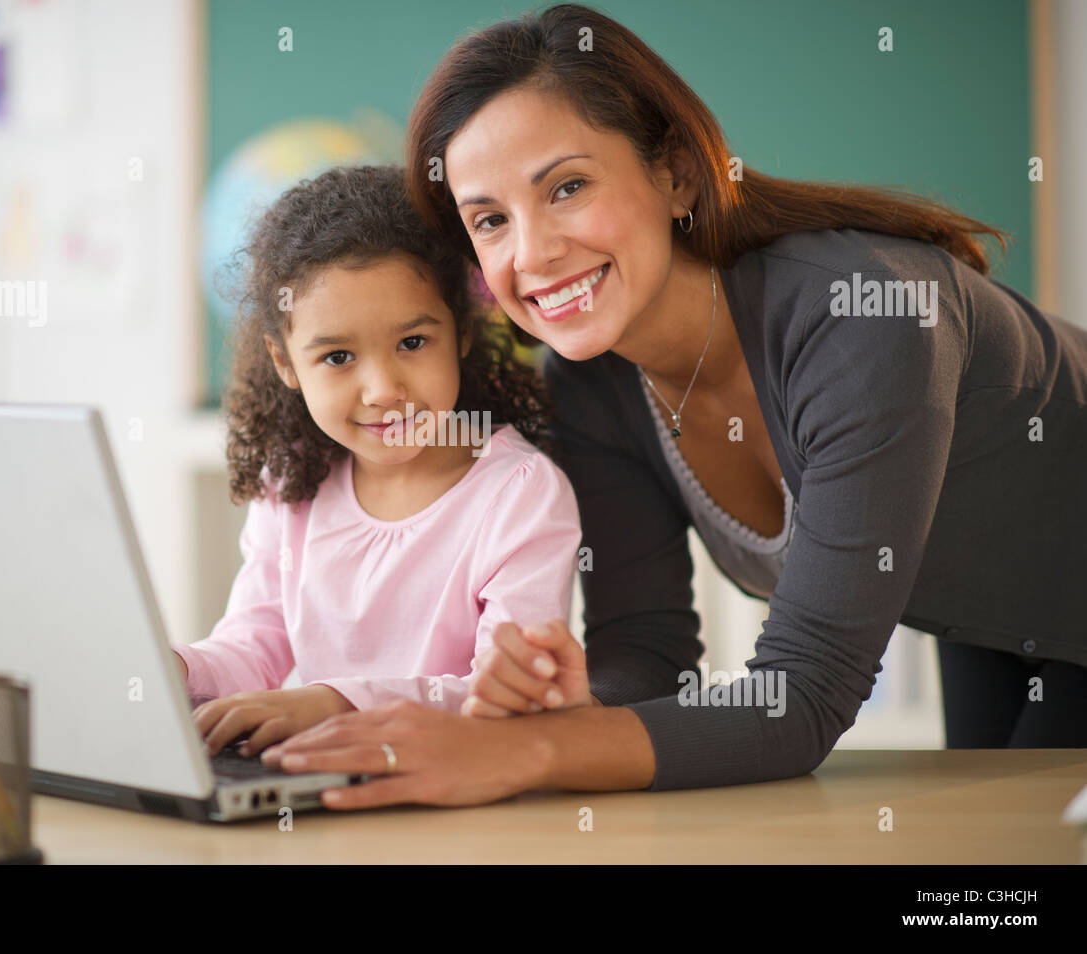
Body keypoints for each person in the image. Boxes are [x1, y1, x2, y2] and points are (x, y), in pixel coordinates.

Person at [259, 3, 1087, 806]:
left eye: (569, 187)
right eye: (490, 219)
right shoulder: (589, 392)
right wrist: (562, 704)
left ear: (676, 172)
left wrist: (522, 751)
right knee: (989, 860)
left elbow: (804, 694)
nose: (535, 254)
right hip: (993, 611)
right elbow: (648, 656)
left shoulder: (862, 316)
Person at [172, 164, 582, 758]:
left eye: (412, 343)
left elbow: (502, 696)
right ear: (285, 363)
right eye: (338, 356)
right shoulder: (291, 482)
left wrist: (334, 701)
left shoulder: (520, 493)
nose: (383, 389)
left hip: (461, 802)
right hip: (323, 785)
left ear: (461, 332)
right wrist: (173, 671)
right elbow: (253, 646)